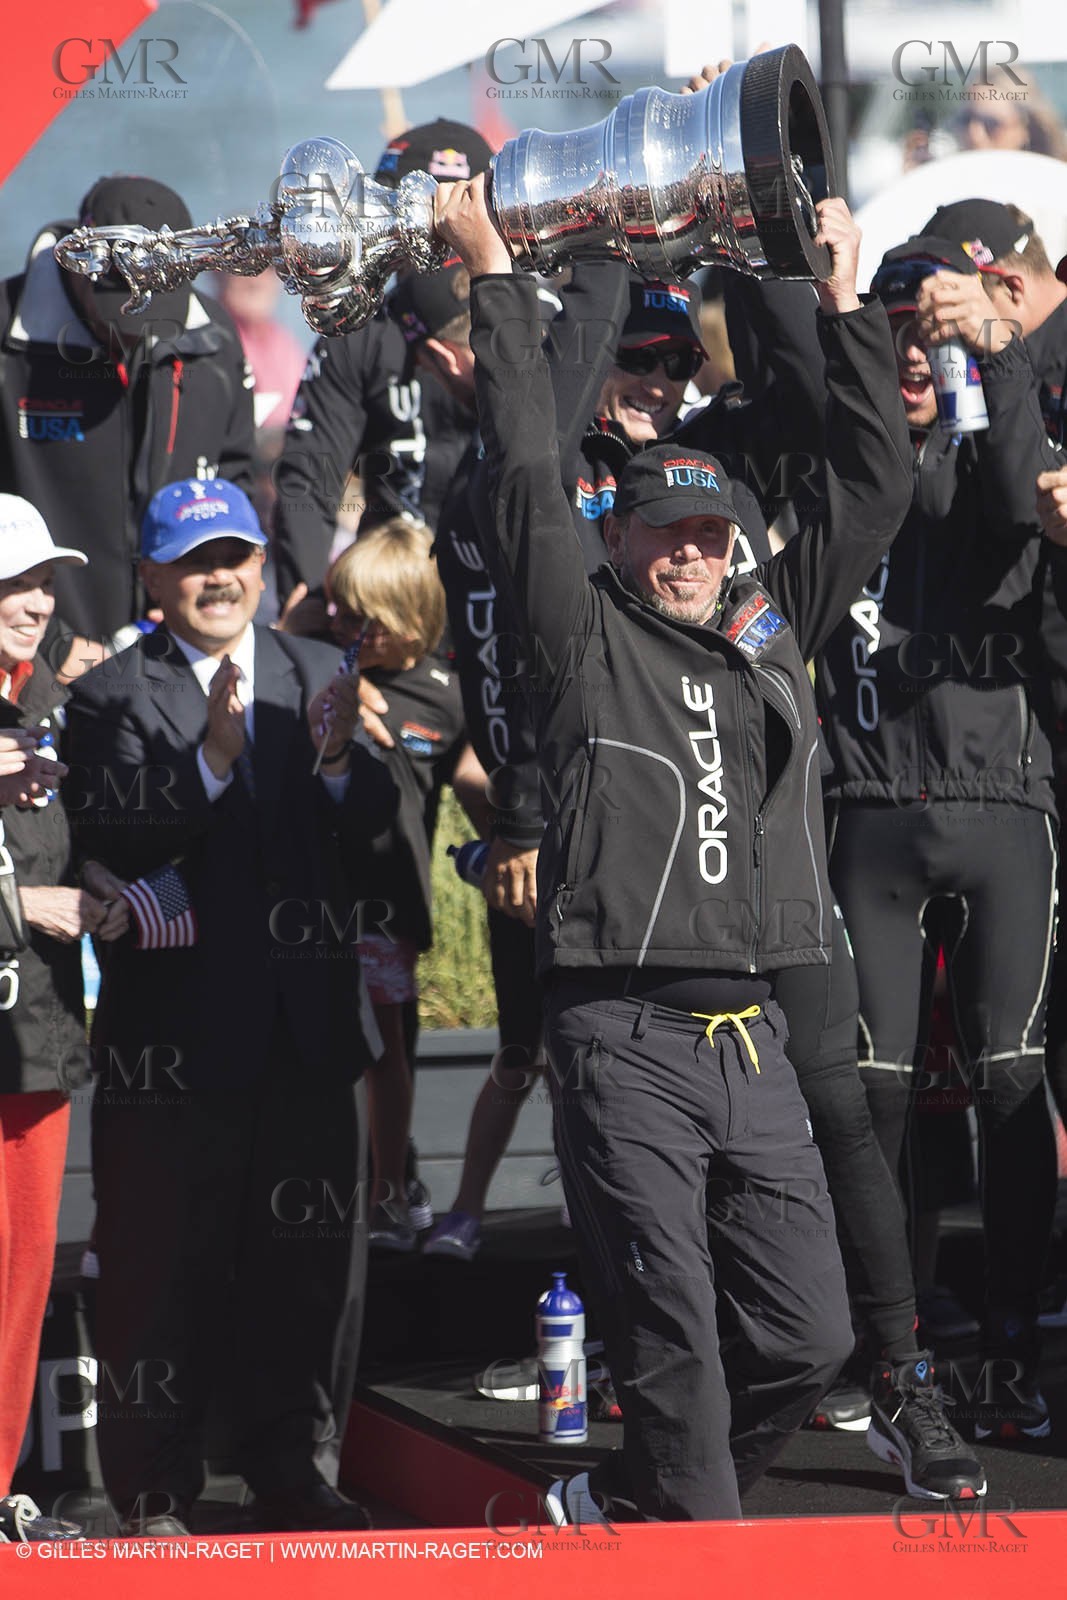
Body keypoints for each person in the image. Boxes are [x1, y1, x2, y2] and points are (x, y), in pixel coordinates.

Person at [437, 174, 912, 1521]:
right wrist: (490, 273)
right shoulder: (578, 631)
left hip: (751, 1032)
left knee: (803, 1340)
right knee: (675, 1342)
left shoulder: (769, 623)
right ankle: (684, 1528)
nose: (692, 555)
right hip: (622, 1030)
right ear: (623, 539)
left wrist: (837, 303)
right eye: (667, 535)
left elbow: (873, 484)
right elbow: (529, 468)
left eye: (710, 535)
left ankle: (633, 1510)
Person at [63, 477, 396, 1537]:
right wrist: (209, 756)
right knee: (160, 1278)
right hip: (173, 1050)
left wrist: (341, 760)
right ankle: (155, 1490)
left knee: (304, 1275)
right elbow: (113, 843)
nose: (219, 577)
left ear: (264, 567)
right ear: (154, 577)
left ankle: (290, 1467)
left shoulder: (318, 672)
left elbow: (381, 835)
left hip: (306, 1035)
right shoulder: (110, 693)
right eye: (195, 560)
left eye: (236, 556)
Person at [815, 226, 1065, 1443]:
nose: (919, 336)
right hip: (869, 818)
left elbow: (1019, 497)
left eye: (934, 315)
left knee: (1011, 1085)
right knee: (871, 1097)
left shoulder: (988, 442)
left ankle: (1015, 1348)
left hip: (1003, 811)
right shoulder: (847, 457)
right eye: (896, 320)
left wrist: (996, 347)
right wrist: (848, 303)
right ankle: (893, 1349)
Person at [0, 497, 125, 1542]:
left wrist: (99, 876)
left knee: (22, 1274)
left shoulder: (58, 698)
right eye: (12, 584)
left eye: (42, 581)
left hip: (36, 1030)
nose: (34, 601)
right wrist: (15, 903)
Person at [0, 176, 256, 655]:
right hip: (34, 648)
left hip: (174, 642)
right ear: (79, 263)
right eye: (120, 310)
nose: (141, 332)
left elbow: (234, 479)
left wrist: (193, 597)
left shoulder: (212, 335)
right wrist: (52, 646)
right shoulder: (7, 337)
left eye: (160, 308)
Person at [319, 519, 478, 1250]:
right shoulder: (323, 668)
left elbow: (476, 783)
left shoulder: (448, 694)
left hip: (389, 899)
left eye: (361, 618)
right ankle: (349, 1187)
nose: (341, 624)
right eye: (336, 608)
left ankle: (388, 1192)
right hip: (314, 896)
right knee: (326, 1049)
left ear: (409, 619)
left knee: (386, 1050)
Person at [271, 120, 493, 604]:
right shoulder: (359, 330)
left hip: (512, 582)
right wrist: (305, 598)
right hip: (397, 596)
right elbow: (309, 478)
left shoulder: (534, 313)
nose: (438, 240)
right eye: (420, 220)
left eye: (457, 219)